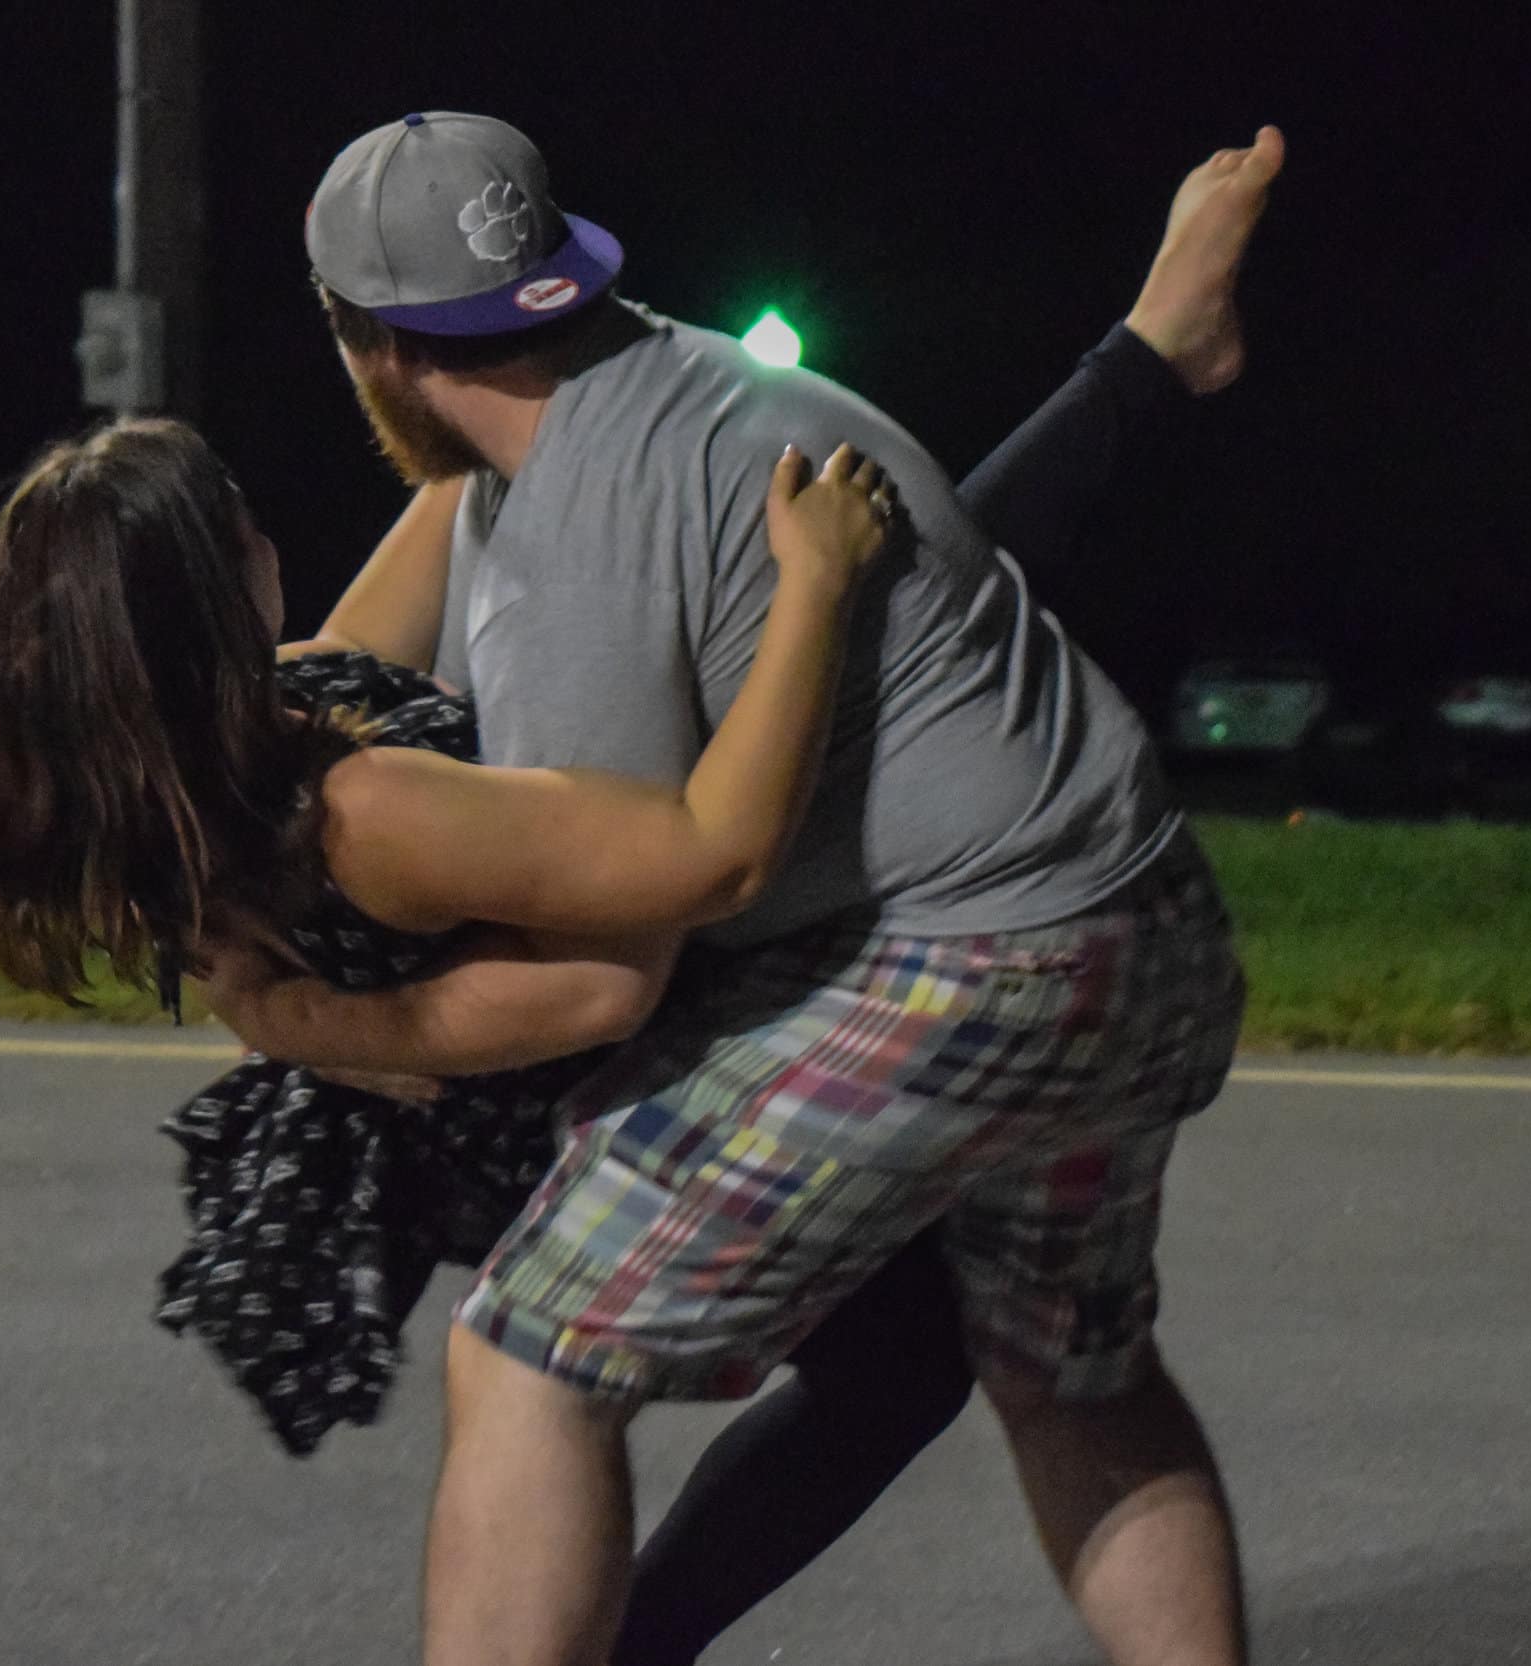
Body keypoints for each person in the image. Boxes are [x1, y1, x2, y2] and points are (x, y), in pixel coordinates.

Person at [198, 113, 1284, 1666]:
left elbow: (604, 974)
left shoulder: (578, 529)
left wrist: (315, 1024)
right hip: (1146, 931)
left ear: (364, 344)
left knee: (530, 1353)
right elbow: (375, 644)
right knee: (1076, 1375)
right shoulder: (701, 384)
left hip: (968, 965)